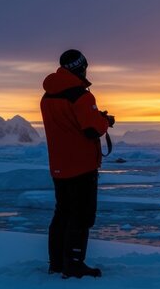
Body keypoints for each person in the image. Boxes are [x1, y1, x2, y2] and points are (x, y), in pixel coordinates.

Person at [40, 49, 115, 279]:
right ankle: (73, 264)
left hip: (59, 166)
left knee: (62, 213)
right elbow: (92, 129)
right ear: (81, 67)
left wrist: (94, 117)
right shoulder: (81, 96)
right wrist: (104, 121)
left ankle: (57, 263)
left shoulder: (48, 96)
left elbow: (69, 124)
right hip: (81, 166)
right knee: (82, 216)